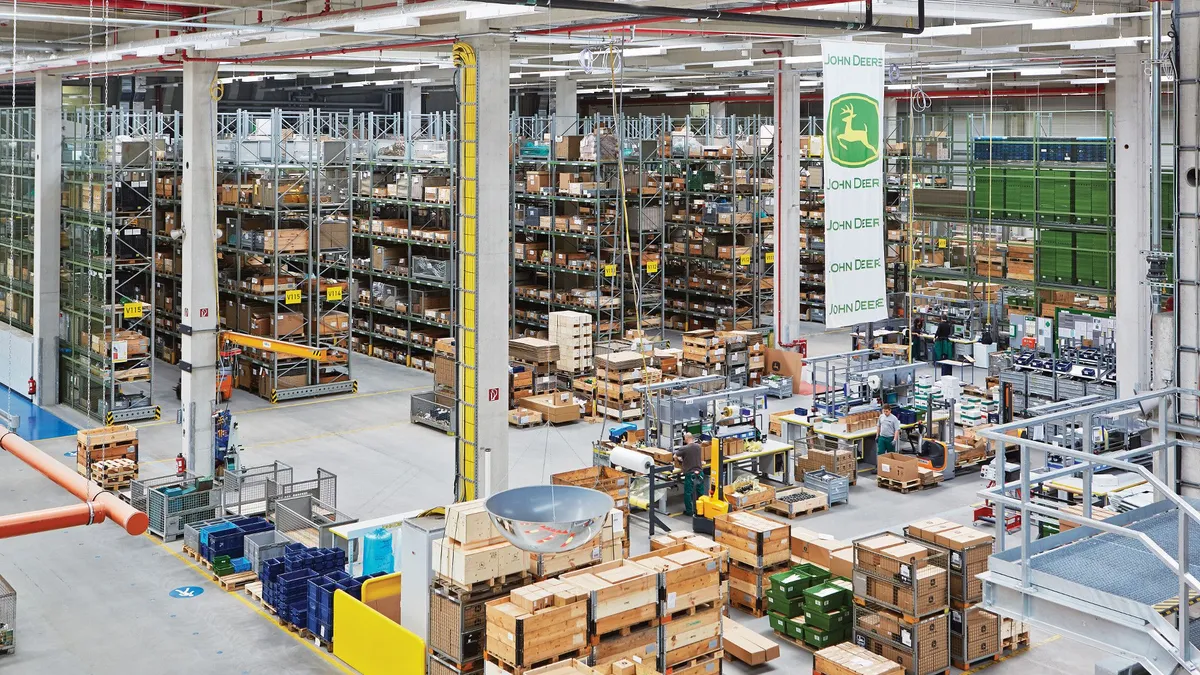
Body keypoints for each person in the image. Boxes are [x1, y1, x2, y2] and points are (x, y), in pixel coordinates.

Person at [674, 432, 705, 517]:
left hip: (690, 473)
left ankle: (689, 511)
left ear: (686, 439)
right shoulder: (698, 447)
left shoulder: (684, 448)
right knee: (700, 492)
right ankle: (701, 510)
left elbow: (675, 456)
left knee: (688, 492)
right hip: (700, 472)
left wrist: (681, 460)